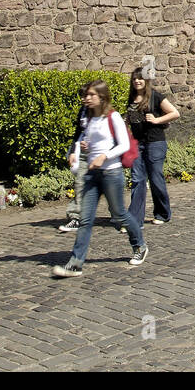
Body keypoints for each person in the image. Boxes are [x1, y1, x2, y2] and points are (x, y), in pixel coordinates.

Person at [53, 80, 149, 275]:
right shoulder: (88, 117)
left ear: (102, 97)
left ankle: (139, 246)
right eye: (86, 95)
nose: (87, 98)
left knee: (120, 214)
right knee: (86, 220)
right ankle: (76, 262)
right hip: (91, 173)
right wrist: (77, 151)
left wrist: (104, 156)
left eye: (91, 95)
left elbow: (123, 145)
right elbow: (83, 138)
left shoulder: (113, 117)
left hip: (111, 173)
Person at [127, 67, 179, 226]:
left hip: (155, 142)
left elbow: (174, 113)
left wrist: (156, 120)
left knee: (155, 178)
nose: (137, 81)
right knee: (137, 179)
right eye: (134, 78)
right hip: (137, 143)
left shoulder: (155, 96)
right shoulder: (131, 98)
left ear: (146, 81)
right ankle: (135, 219)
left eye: (140, 78)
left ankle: (162, 213)